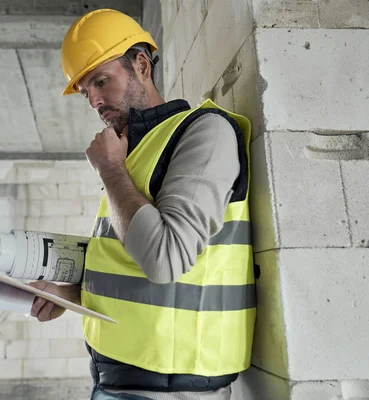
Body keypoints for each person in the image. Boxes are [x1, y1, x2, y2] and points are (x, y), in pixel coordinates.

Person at [28, 8, 257, 400]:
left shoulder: (204, 131)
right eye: (86, 92)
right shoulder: (132, 154)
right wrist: (72, 293)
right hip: (119, 377)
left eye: (101, 80)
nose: (94, 101)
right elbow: (128, 264)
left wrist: (110, 170)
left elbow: (165, 259)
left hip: (173, 384)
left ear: (141, 65)